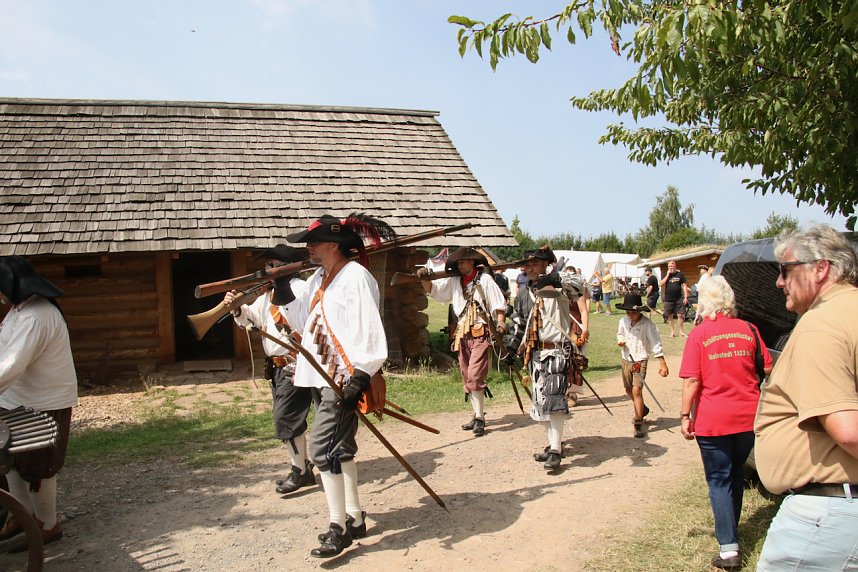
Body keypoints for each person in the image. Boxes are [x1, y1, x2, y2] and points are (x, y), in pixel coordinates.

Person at [285, 213, 395, 558]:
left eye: (313, 242)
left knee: (321, 451)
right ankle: (355, 516)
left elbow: (370, 331)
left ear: (334, 244)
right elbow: (303, 321)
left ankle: (339, 526)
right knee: (340, 448)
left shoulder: (356, 277)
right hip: (321, 376)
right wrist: (279, 289)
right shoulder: (320, 276)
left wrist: (361, 377)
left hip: (345, 377)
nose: (308, 247)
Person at [754, 224, 858, 571]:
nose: (778, 282)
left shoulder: (821, 323)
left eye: (785, 270)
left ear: (820, 268)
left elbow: (848, 431)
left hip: (828, 515)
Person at [678, 276, 772, 571]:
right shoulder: (750, 329)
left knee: (718, 479)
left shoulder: (700, 334)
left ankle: (729, 550)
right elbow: (767, 367)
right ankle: (732, 534)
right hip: (748, 417)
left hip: (713, 419)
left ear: (705, 301)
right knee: (734, 476)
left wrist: (684, 416)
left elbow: (693, 379)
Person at [0, 256, 78, 550]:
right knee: (14, 462)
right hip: (15, 399)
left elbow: (10, 365)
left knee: (38, 466)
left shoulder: (37, 316)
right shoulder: (19, 311)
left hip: (43, 402)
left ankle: (47, 525)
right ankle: (23, 516)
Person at [224, 244, 313, 496]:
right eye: (267, 265)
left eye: (273, 265)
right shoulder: (268, 294)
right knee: (289, 420)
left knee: (285, 419)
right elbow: (253, 319)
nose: (268, 269)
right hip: (276, 368)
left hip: (296, 364)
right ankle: (302, 466)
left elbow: (309, 324)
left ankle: (301, 471)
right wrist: (238, 308)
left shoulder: (301, 289)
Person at [418, 247, 507, 437]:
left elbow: (499, 305)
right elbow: (435, 292)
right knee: (467, 376)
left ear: (473, 262)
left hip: (481, 332)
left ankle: (480, 418)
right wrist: (425, 280)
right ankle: (476, 415)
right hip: (462, 334)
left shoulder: (485, 280)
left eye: (463, 262)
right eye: (458, 262)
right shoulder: (454, 281)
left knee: (475, 375)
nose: (460, 265)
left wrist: (500, 323)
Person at [506, 246, 581, 470]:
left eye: (535, 264)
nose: (530, 268)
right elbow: (519, 323)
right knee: (540, 401)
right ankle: (552, 445)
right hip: (535, 353)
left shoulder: (560, 285)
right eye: (527, 265)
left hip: (556, 350)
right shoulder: (523, 293)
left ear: (546, 265)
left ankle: (556, 450)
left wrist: (555, 278)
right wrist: (511, 349)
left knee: (555, 399)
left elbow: (579, 285)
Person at [615, 293, 668, 438]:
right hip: (626, 359)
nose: (630, 315)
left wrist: (662, 362)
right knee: (628, 390)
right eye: (628, 312)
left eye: (633, 312)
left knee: (637, 390)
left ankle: (638, 422)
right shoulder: (622, 321)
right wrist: (620, 340)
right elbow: (620, 334)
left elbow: (655, 342)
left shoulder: (648, 325)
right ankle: (642, 408)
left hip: (640, 360)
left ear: (640, 311)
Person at [659, 260, 689, 337]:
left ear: (675, 266)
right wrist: (667, 274)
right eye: (669, 266)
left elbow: (685, 286)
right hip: (668, 299)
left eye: (671, 266)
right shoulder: (667, 275)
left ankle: (681, 332)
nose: (670, 267)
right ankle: (672, 332)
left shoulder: (680, 274)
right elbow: (661, 284)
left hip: (679, 298)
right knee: (670, 315)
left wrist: (686, 297)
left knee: (680, 315)